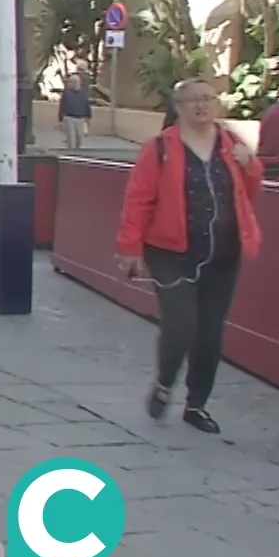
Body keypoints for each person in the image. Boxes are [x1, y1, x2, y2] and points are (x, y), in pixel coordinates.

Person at [115, 77, 263, 435]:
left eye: (208, 98)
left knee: (210, 332)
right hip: (171, 252)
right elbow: (139, 200)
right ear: (178, 107)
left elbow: (250, 194)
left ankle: (197, 405)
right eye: (193, 100)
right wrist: (129, 248)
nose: (202, 105)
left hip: (223, 253)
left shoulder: (231, 143)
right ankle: (165, 383)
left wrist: (250, 165)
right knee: (182, 324)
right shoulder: (159, 148)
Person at [59, 73, 93, 151]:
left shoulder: (83, 93)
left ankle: (78, 155)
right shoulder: (66, 93)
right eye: (71, 82)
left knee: (79, 140)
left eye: (74, 82)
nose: (71, 84)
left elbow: (86, 105)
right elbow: (62, 106)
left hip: (80, 119)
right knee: (71, 140)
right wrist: (61, 119)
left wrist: (88, 116)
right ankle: (71, 155)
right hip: (69, 118)